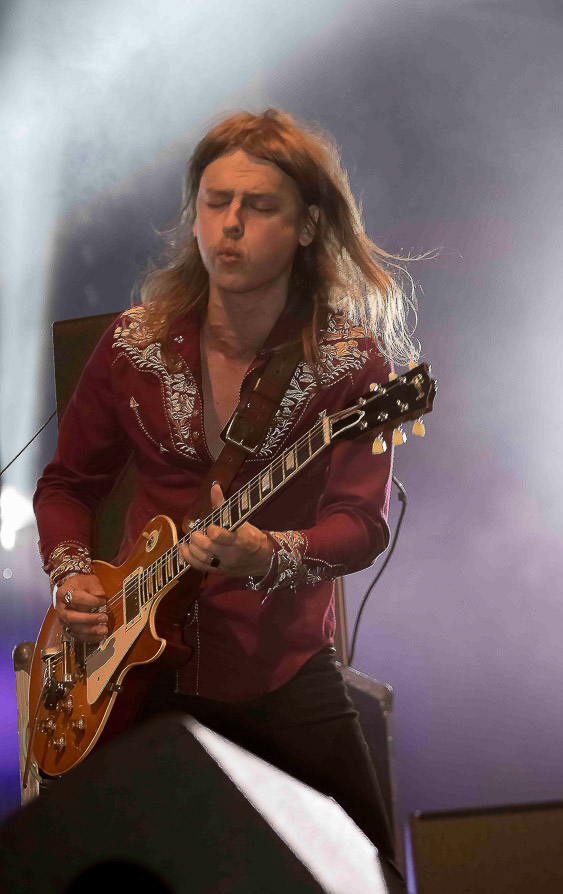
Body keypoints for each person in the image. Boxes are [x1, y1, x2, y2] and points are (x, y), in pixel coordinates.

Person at [34, 109, 419, 887]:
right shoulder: (132, 345)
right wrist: (72, 574)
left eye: (259, 205)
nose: (230, 224)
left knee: (365, 871)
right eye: (215, 202)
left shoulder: (352, 363)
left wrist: (267, 553)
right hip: (134, 669)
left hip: (279, 666)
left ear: (308, 226)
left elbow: (360, 525)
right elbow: (69, 486)